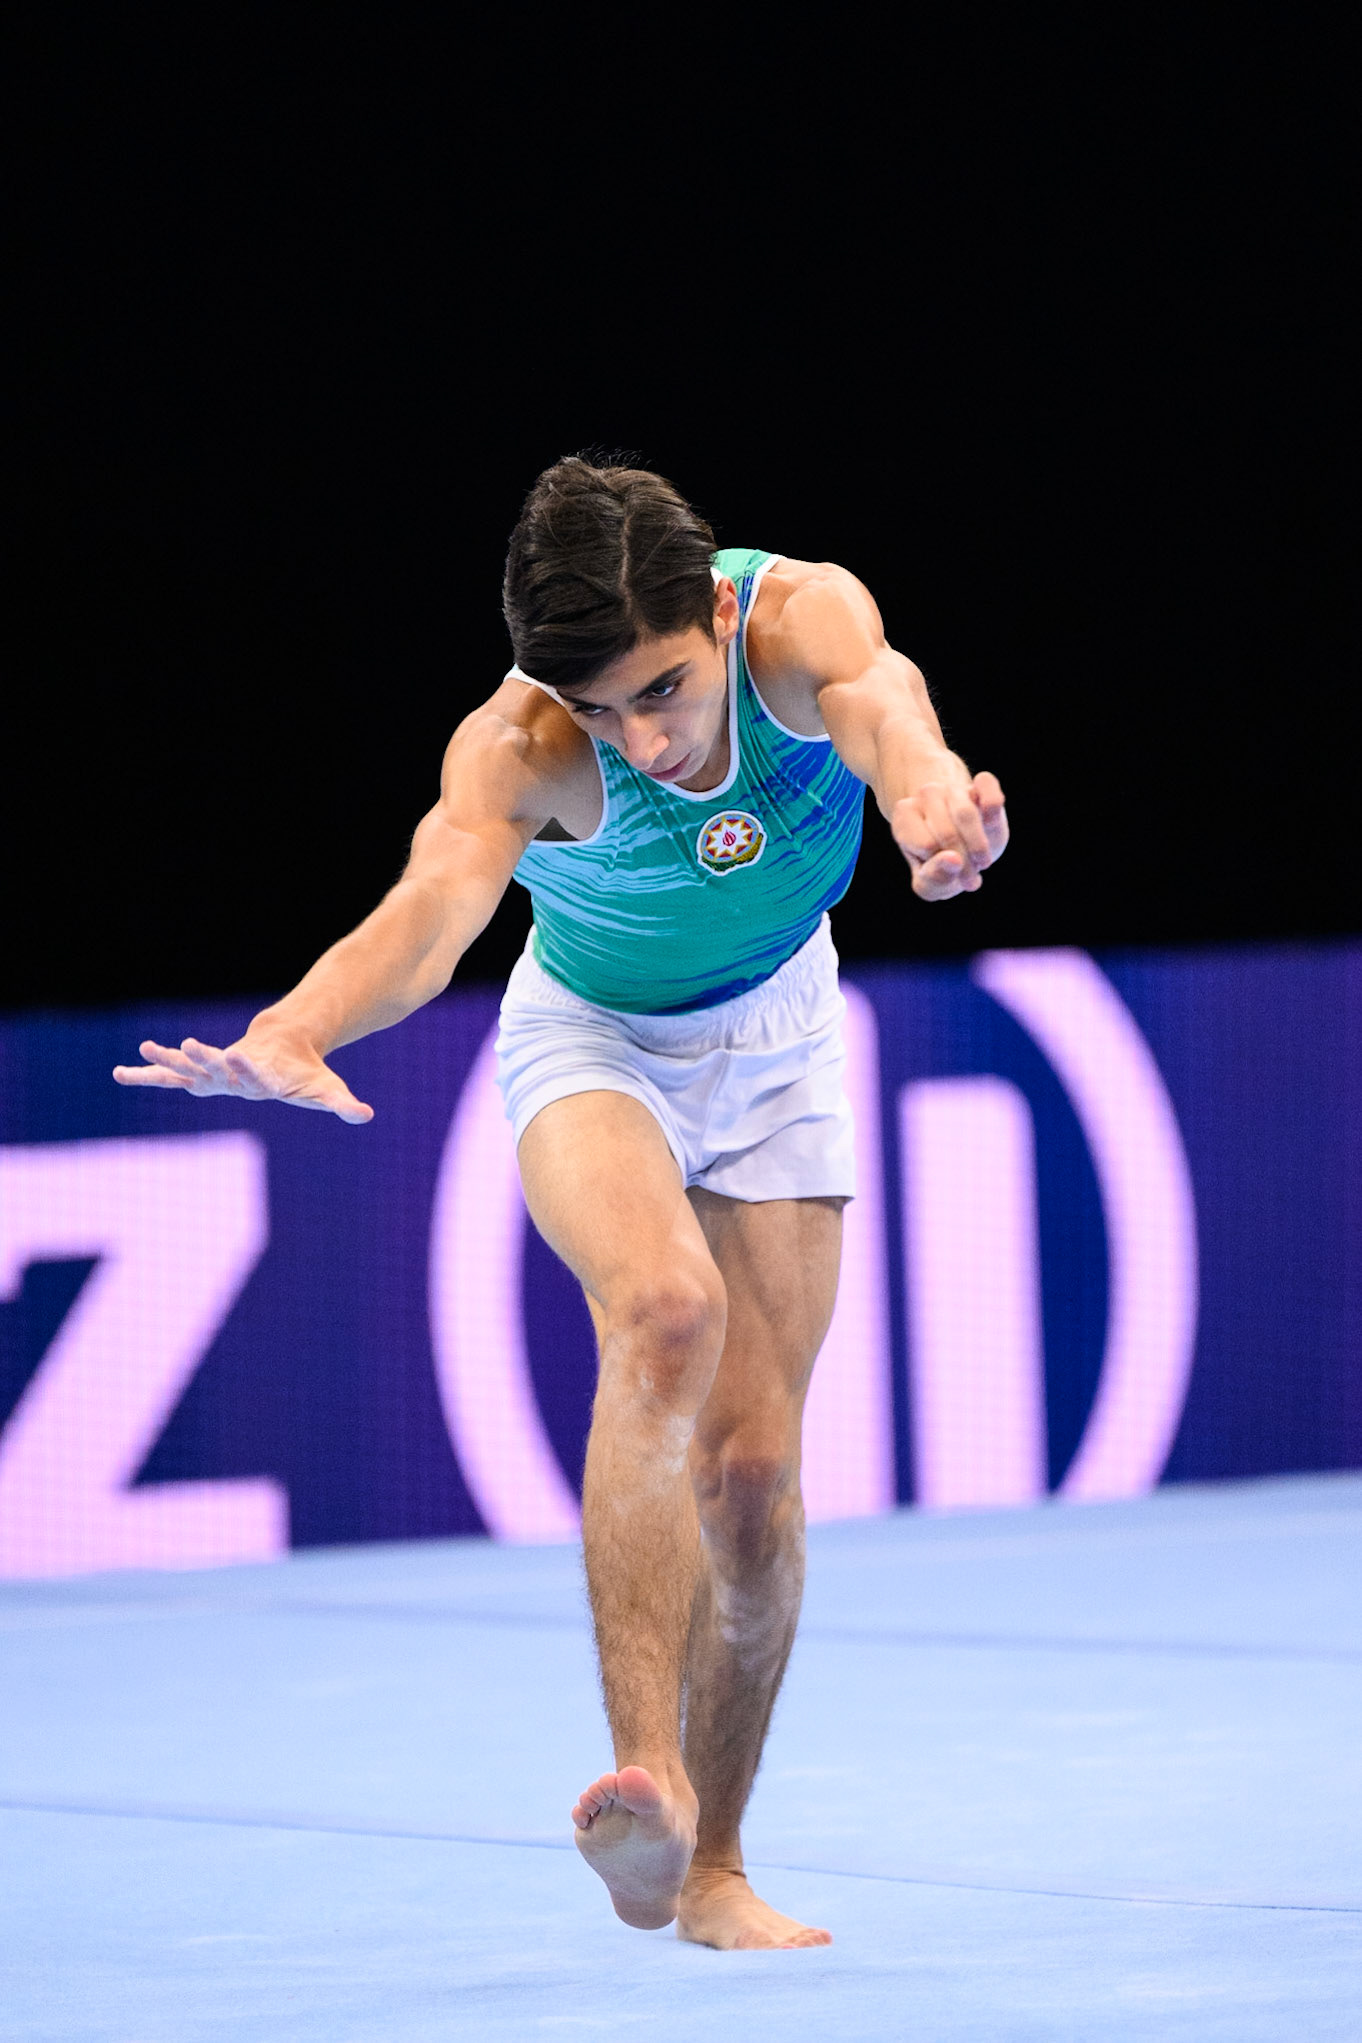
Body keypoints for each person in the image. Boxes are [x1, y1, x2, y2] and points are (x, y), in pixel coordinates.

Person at [114, 457, 1008, 1950]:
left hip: (779, 1038)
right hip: (589, 1038)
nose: (636, 740)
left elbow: (891, 721)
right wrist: (297, 1028)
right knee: (664, 1313)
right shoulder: (523, 741)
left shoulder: (798, 621)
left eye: (656, 692)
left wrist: (932, 813)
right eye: (599, 711)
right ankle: (642, 1787)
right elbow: (426, 916)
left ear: (713, 621)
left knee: (751, 1484)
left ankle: (714, 1869)